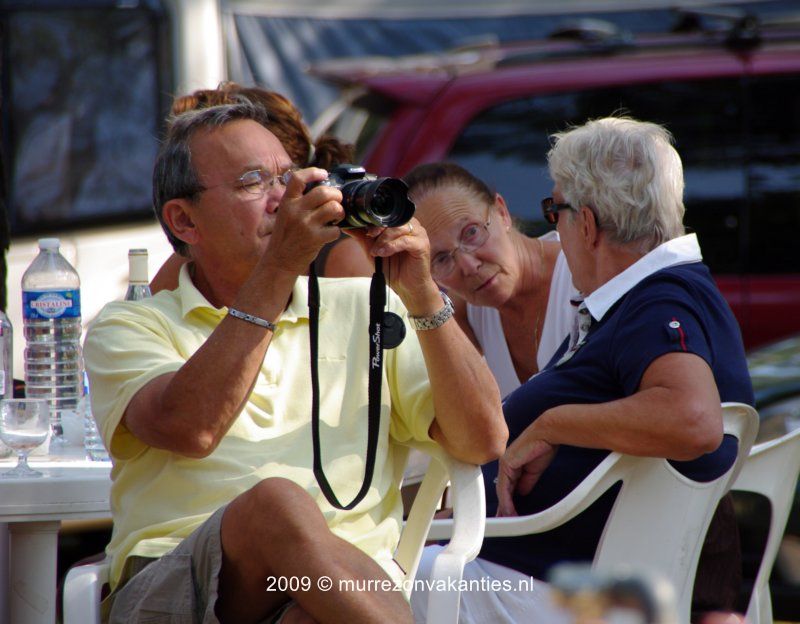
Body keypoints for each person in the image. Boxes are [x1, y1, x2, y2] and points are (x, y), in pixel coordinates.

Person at [84, 101, 507, 623]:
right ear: (184, 220)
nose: (284, 200)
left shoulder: (366, 307)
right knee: (276, 505)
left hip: (337, 593)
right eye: (253, 182)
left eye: (290, 178)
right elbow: (190, 428)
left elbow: (483, 441)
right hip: (178, 589)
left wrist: (421, 292)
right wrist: (281, 265)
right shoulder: (129, 326)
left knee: (309, 612)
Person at [411, 117, 754, 623]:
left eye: (556, 209)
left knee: (345, 580)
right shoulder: (645, 297)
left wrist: (553, 424)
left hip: (549, 587)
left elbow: (694, 420)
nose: (554, 226)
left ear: (587, 224)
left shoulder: (656, 301)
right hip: (531, 565)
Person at [150, 82, 372, 293]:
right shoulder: (194, 257)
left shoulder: (345, 259)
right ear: (185, 220)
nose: (280, 200)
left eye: (285, 177)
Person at [403, 163, 578, 398]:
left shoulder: (580, 273)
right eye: (441, 259)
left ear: (502, 212)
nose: (469, 266)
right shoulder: (462, 313)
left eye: (471, 232)